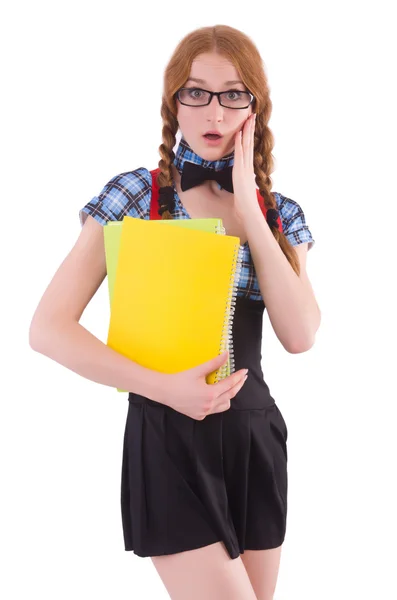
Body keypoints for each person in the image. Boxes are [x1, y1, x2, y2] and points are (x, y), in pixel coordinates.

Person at [29, 24, 320, 600]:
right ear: (174, 103)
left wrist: (250, 207)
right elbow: (48, 328)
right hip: (167, 433)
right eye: (197, 92)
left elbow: (301, 334)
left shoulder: (281, 214)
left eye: (234, 94)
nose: (215, 111)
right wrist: (164, 389)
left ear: (255, 107)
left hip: (255, 434)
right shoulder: (139, 194)